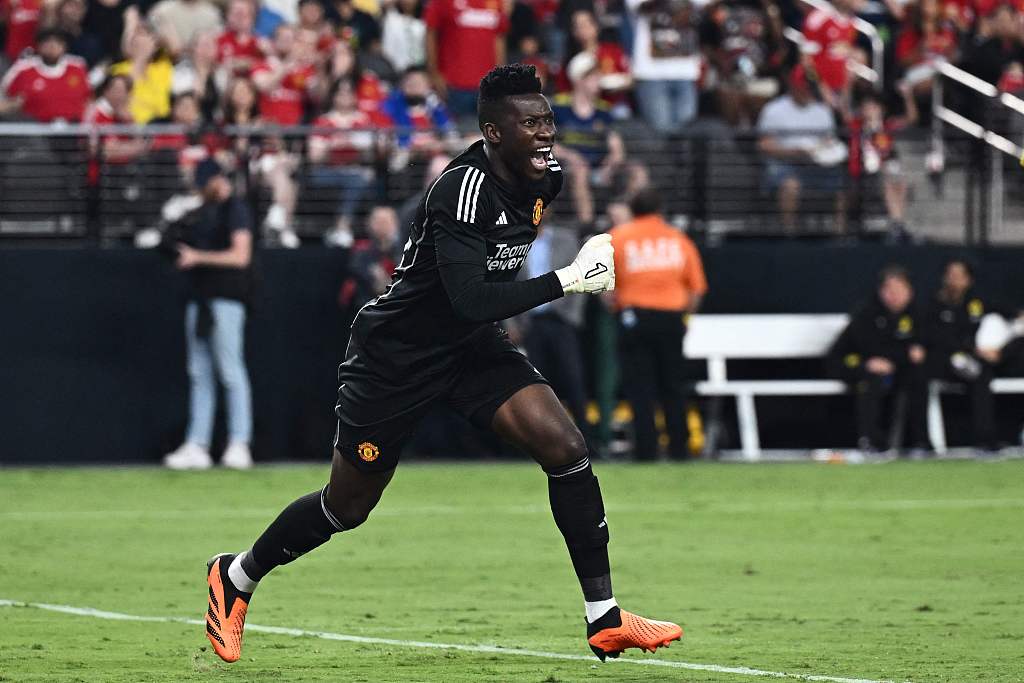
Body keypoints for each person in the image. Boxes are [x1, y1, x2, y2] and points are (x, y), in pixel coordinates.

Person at [202, 63, 682, 665]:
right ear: (493, 132)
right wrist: (564, 280)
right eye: (529, 123)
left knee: (566, 447)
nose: (544, 134)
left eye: (548, 121)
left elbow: (480, 304)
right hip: (397, 356)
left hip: (470, 347)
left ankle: (603, 617)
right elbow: (470, 298)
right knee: (346, 507)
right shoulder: (462, 189)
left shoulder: (546, 178)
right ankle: (237, 575)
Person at [163, 158, 255, 471]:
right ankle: (197, 444)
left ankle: (239, 442)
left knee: (230, 371)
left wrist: (196, 257)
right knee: (199, 373)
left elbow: (241, 256)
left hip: (226, 300)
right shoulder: (200, 213)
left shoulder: (236, 209)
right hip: (199, 300)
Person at [608, 187, 706, 460]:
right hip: (671, 318)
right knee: (673, 386)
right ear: (660, 210)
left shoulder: (619, 238)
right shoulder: (678, 239)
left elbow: (603, 285)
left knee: (640, 388)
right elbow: (696, 289)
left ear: (633, 209)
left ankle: (645, 450)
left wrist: (616, 310)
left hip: (634, 318)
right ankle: (680, 449)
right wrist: (684, 317)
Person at [828, 266, 930, 453]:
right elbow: (868, 349)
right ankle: (871, 440)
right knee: (872, 377)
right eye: (890, 290)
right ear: (881, 291)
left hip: (896, 370)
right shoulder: (867, 313)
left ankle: (920, 441)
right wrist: (900, 355)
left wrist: (904, 356)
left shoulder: (917, 314)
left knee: (918, 376)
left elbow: (919, 350)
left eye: (900, 290)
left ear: (910, 292)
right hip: (855, 365)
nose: (895, 295)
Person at [925, 259, 1019, 449]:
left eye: (959, 276)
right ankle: (983, 438)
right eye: (951, 275)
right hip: (944, 362)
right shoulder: (934, 305)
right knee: (977, 372)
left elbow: (1010, 313)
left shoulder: (976, 302)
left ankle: (986, 439)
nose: (954, 281)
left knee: (982, 372)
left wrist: (996, 351)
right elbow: (940, 339)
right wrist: (973, 351)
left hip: (978, 361)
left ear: (968, 280)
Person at [757, 65, 846, 233]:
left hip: (816, 163)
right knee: (791, 185)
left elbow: (829, 141)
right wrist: (793, 152)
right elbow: (764, 144)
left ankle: (840, 234)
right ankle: (789, 232)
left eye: (810, 88)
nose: (807, 91)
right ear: (793, 85)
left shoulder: (822, 111)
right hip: (784, 163)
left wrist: (822, 152)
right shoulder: (774, 110)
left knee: (841, 183)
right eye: (804, 87)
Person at [624, 0, 702, 134]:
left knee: (687, 135)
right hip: (651, 73)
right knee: (661, 133)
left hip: (685, 70)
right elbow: (639, 5)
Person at [424, 0, 508, 119]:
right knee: (455, 134)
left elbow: (499, 37)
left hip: (488, 86)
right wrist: (433, 72)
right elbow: (431, 32)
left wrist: (501, 74)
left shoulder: (496, 2)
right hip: (454, 85)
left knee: (488, 134)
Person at [0, 28, 91, 122]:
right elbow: (4, 95)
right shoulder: (24, 68)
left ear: (65, 46)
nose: (52, 46)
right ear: (39, 46)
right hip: (34, 129)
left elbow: (90, 98)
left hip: (74, 129)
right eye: (47, 42)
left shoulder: (78, 66)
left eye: (58, 42)